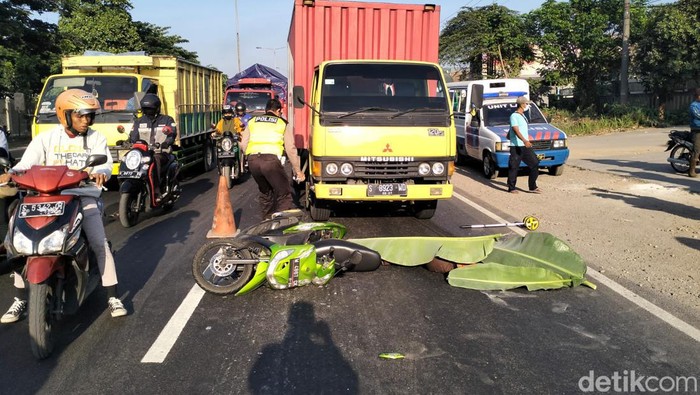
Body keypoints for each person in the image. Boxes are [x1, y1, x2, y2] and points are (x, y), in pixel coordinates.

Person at [0, 89, 127, 323]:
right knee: (16, 244)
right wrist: (11, 174)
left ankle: (112, 295)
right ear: (64, 115)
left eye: (89, 115)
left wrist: (100, 172)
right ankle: (20, 299)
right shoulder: (46, 139)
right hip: (45, 198)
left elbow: (105, 163)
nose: (86, 120)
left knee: (99, 242)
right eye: (80, 115)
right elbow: (26, 164)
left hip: (81, 197)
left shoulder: (95, 138)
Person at [241, 98, 305, 219]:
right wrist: (298, 170)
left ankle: (266, 222)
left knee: (266, 192)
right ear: (279, 110)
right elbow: (290, 149)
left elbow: (244, 144)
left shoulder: (252, 121)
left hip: (253, 161)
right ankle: (278, 224)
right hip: (270, 161)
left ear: (266, 110)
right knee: (284, 193)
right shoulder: (282, 123)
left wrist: (250, 156)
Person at [129, 93, 176, 202]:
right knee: (127, 159)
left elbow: (172, 134)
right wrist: (128, 142)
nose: (148, 111)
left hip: (161, 152)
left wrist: (166, 142)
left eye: (151, 108)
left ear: (157, 108)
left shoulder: (167, 120)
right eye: (146, 109)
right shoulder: (138, 121)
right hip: (143, 154)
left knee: (155, 159)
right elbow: (133, 137)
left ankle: (156, 190)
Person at [507, 95, 541, 194]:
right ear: (522, 105)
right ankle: (511, 187)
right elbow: (515, 129)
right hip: (516, 145)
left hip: (525, 145)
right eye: (526, 104)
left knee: (535, 163)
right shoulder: (514, 116)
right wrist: (525, 140)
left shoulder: (523, 116)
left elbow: (517, 129)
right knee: (514, 166)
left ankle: (532, 186)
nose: (527, 105)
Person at [688, 88, 700, 178]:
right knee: (696, 150)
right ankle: (691, 171)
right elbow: (698, 115)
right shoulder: (693, 106)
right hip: (697, 131)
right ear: (698, 96)